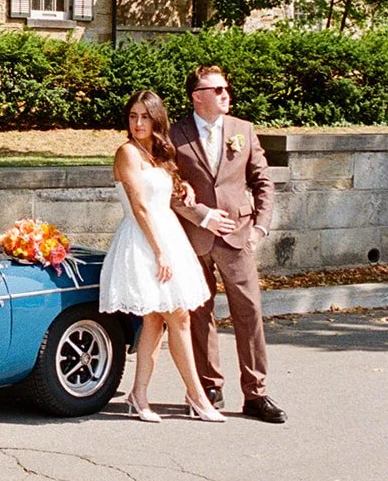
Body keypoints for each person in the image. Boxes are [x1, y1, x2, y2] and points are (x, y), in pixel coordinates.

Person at [99, 90, 225, 422]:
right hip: (145, 239)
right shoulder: (127, 153)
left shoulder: (157, 153)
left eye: (145, 116)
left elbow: (163, 194)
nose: (138, 123)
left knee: (157, 319)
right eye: (132, 116)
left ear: (157, 119)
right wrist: (159, 252)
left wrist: (182, 186)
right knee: (178, 316)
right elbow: (140, 206)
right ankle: (198, 397)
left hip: (168, 234)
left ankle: (138, 395)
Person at [171, 65, 285, 422]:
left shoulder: (243, 130)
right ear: (197, 96)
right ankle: (209, 386)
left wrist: (260, 229)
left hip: (239, 235)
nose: (225, 94)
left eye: (225, 88)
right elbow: (168, 188)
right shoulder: (175, 135)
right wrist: (202, 215)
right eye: (216, 89)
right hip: (195, 236)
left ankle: (256, 393)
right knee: (199, 312)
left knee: (248, 312)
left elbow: (263, 181)